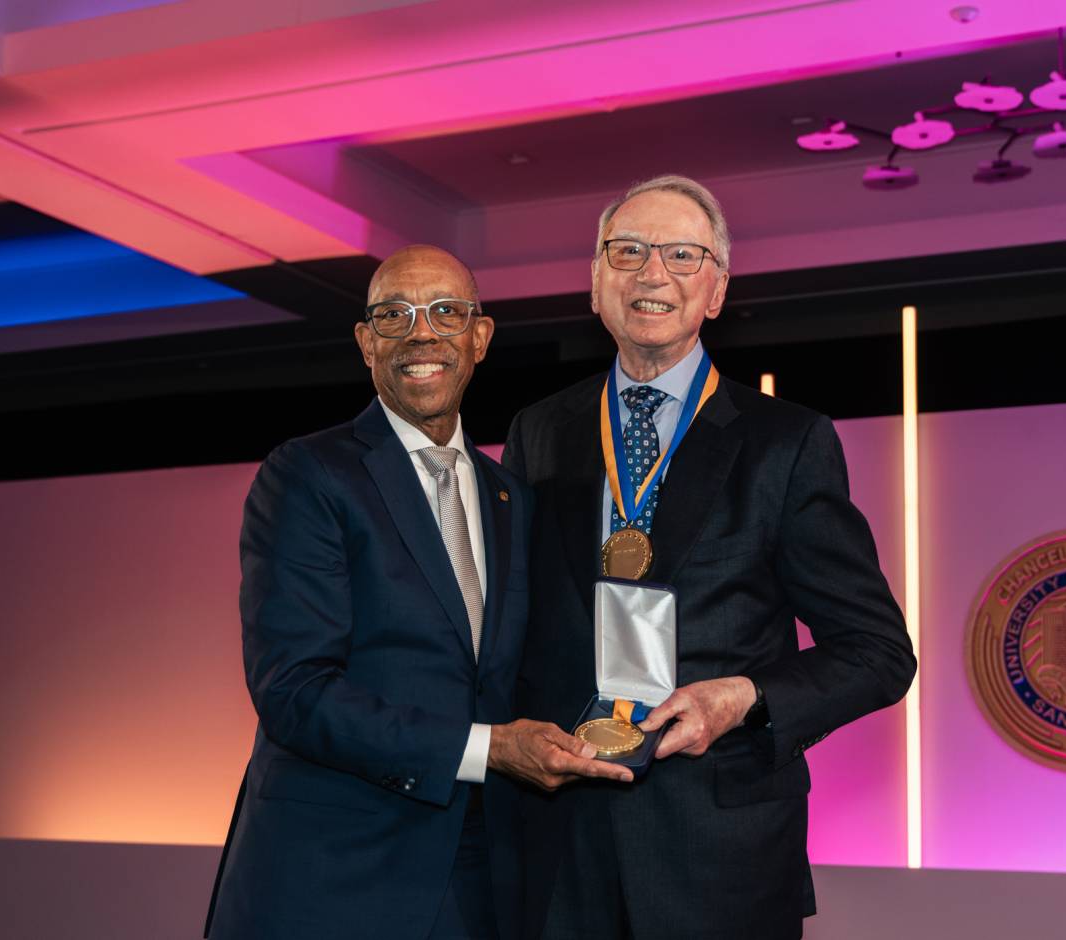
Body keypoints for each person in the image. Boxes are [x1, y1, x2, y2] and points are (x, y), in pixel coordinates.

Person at [501, 177, 917, 940]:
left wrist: (746, 698)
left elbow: (878, 653)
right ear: (594, 282)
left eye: (682, 255)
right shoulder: (539, 431)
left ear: (717, 291)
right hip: (561, 850)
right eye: (627, 251)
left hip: (721, 859)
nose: (652, 273)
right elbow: (515, 626)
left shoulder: (786, 443)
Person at [205, 245, 631, 940]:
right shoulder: (308, 474)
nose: (421, 334)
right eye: (394, 315)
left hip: (480, 879)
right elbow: (294, 691)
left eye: (445, 312)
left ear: (480, 338)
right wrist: (489, 749)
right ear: (366, 343)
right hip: (335, 881)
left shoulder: (509, 496)